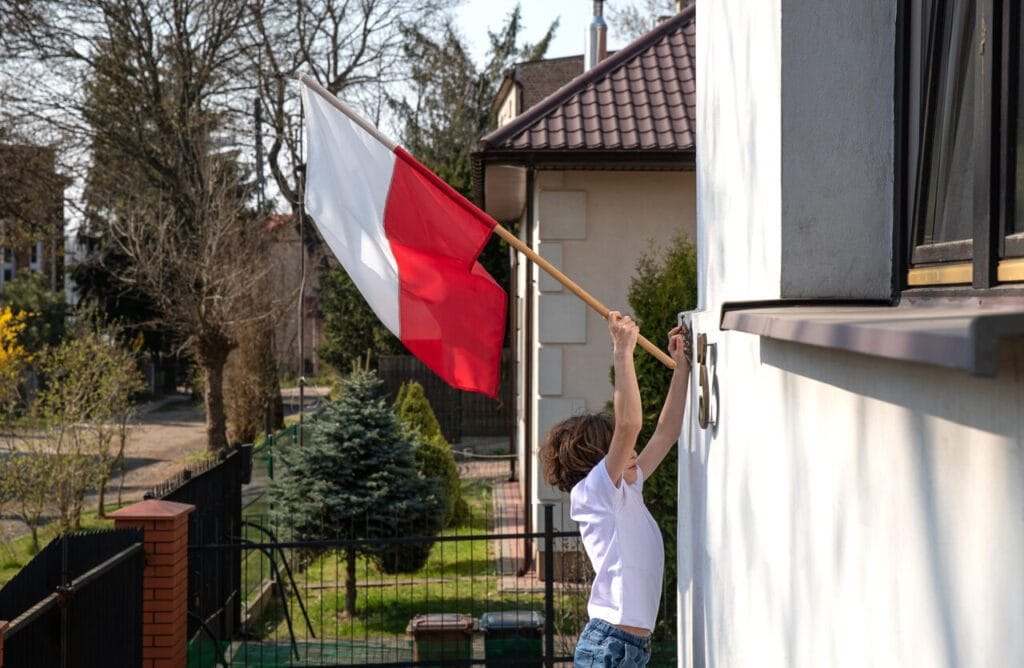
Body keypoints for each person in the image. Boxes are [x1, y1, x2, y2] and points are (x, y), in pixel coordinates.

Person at [541, 311, 691, 667]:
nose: (633, 452)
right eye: (621, 448)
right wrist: (622, 350)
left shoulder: (628, 487)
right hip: (612, 646)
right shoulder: (595, 494)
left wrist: (682, 368)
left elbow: (666, 433)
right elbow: (630, 423)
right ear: (599, 459)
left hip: (626, 648)